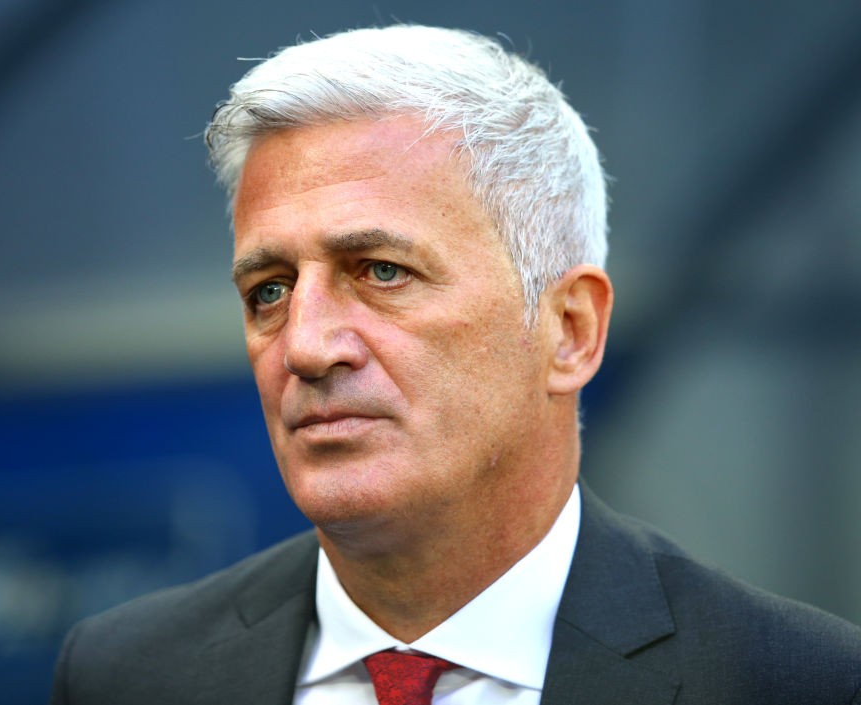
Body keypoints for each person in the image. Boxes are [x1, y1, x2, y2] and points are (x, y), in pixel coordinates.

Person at [49, 25, 861, 705]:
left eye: (382, 271)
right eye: (270, 289)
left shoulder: (795, 681)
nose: (305, 344)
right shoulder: (127, 675)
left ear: (570, 328)